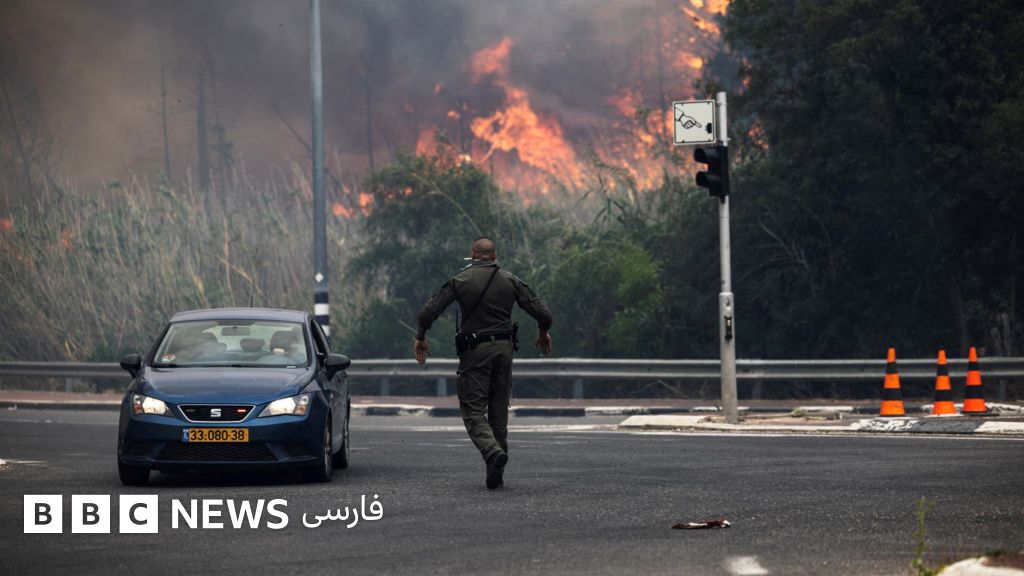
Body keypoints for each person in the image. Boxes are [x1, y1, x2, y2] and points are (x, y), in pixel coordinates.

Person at [414, 236, 553, 490]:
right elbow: (544, 313)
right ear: (495, 256)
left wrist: (421, 337)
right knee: (498, 411)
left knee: (473, 410)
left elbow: (427, 313)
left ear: (473, 254)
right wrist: (543, 333)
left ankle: (492, 451)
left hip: (475, 353)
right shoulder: (510, 280)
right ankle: (495, 469)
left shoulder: (460, 281)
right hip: (504, 351)